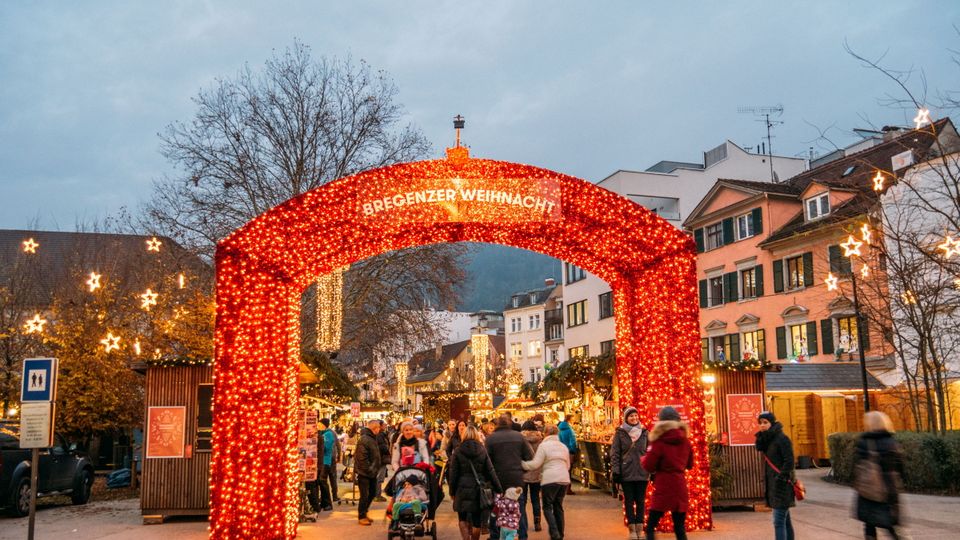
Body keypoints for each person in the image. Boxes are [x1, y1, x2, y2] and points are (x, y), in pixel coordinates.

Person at [641, 406, 692, 540]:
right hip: (680, 486)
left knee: (651, 526)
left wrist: (644, 459)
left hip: (664, 486)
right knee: (679, 527)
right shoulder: (686, 441)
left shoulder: (659, 441)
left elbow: (649, 465)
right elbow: (690, 464)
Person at [854, 411, 904, 540]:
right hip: (888, 488)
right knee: (890, 523)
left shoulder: (863, 442)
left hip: (868, 489)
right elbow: (900, 467)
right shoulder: (891, 442)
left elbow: (855, 465)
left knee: (869, 523)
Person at [450, 424, 504, 540]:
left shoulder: (458, 451)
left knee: (462, 518)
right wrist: (499, 488)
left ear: (464, 435)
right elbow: (490, 471)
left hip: (461, 488)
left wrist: (452, 491)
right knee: (476, 520)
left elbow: (453, 473)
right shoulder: (482, 449)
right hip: (477, 489)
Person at [486, 415, 535, 539]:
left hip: (498, 480)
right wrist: (520, 469)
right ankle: (522, 535)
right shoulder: (519, 437)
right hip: (516, 479)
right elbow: (530, 456)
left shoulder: (491, 439)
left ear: (497, 425)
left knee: (497, 508)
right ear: (510, 424)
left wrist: (489, 477)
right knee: (519, 509)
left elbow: (486, 461)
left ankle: (495, 535)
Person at [521, 424, 570, 540]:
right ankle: (560, 534)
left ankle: (554, 532)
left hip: (550, 479)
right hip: (563, 479)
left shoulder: (544, 446)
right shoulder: (563, 447)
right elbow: (567, 465)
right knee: (558, 506)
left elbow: (536, 464)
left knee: (547, 507)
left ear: (546, 433)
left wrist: (522, 464)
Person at [610, 406, 650, 540]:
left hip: (642, 472)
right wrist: (616, 471)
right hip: (626, 472)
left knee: (640, 502)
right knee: (628, 502)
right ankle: (632, 528)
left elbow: (650, 452)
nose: (634, 418)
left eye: (636, 416)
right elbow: (615, 454)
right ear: (626, 418)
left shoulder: (644, 432)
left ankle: (640, 528)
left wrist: (653, 470)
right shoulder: (620, 433)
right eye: (631, 416)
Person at [755, 411, 795, 540]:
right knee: (785, 521)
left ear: (772, 423)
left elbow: (789, 461)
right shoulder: (767, 440)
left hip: (781, 486)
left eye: (765, 422)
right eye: (760, 423)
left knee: (778, 522)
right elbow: (759, 447)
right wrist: (761, 435)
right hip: (774, 485)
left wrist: (781, 478)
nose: (762, 425)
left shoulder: (782, 439)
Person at [354, 419, 382, 526]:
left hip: (371, 472)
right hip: (365, 473)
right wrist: (369, 469)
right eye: (378, 427)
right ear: (374, 428)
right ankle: (361, 516)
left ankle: (364, 513)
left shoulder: (371, 438)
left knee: (372, 493)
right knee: (365, 495)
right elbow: (362, 458)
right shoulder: (365, 439)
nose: (379, 429)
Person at [519, 420, 544, 537]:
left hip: (523, 473)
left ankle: (522, 522)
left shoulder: (520, 440)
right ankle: (537, 522)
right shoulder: (540, 439)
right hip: (536, 472)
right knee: (535, 498)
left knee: (522, 500)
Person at [318, 418, 338, 510]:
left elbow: (326, 447)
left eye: (319, 424)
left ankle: (328, 503)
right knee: (321, 482)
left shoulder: (328, 434)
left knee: (323, 481)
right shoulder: (323, 434)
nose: (318, 426)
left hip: (326, 461)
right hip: (321, 462)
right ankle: (323, 502)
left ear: (324, 425)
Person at [557, 415, 578, 496]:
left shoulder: (559, 429)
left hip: (560, 451)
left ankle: (561, 488)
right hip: (568, 451)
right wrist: (573, 450)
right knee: (568, 470)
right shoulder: (569, 430)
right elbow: (573, 442)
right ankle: (568, 489)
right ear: (569, 420)